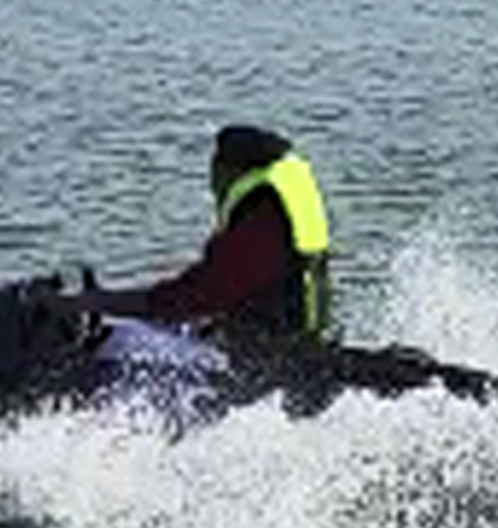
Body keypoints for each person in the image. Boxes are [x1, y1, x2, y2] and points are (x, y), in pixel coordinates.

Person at [56, 123, 337, 367]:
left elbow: (196, 295)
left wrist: (98, 302)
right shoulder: (280, 202)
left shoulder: (261, 220)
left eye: (214, 171)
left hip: (264, 364)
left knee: (118, 348)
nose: (212, 185)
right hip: (292, 343)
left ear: (231, 171)